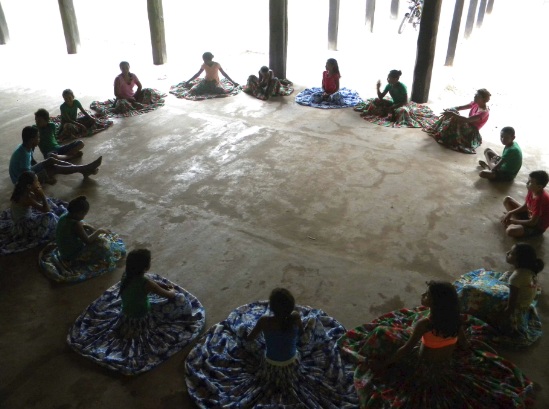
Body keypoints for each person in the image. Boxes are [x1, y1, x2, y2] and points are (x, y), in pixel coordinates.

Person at [338, 281, 534, 408]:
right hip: (446, 368)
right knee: (393, 333)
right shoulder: (456, 319)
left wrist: (384, 364)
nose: (423, 296)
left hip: (421, 368)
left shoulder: (425, 324)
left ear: (436, 303)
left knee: (382, 333)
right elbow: (464, 344)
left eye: (427, 295)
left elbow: (405, 349)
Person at [185, 288, 358, 408]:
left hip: (269, 367)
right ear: (292, 307)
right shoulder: (296, 317)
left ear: (271, 307)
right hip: (293, 366)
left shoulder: (265, 322)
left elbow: (251, 338)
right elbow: (302, 332)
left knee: (244, 338)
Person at [66, 249, 205, 374]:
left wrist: (157, 285)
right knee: (181, 299)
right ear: (145, 267)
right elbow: (169, 295)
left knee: (154, 282)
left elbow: (150, 284)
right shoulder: (146, 283)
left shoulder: (126, 275)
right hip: (142, 319)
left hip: (125, 315)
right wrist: (172, 290)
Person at [454, 244, 543, 348]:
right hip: (523, 305)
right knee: (485, 285)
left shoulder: (516, 278)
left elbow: (511, 307)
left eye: (511, 253)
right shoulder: (529, 270)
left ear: (518, 259)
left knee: (469, 289)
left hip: (515, 310)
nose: (507, 253)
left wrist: (499, 319)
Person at [39, 196, 125, 283]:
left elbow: (77, 227)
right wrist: (98, 231)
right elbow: (88, 241)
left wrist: (87, 227)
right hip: (72, 255)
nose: (84, 216)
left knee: (85, 226)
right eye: (84, 214)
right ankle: (83, 258)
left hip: (63, 251)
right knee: (102, 243)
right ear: (79, 213)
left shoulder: (64, 216)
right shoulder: (76, 224)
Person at [0, 171, 66, 255]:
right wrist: (42, 195)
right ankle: (61, 225)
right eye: (36, 181)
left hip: (19, 220)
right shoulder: (26, 197)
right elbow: (46, 210)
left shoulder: (21, 191)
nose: (38, 183)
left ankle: (58, 217)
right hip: (23, 227)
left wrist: (39, 194)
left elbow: (37, 199)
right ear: (29, 186)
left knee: (47, 201)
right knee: (50, 215)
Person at [8, 126, 102, 185]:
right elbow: (27, 176)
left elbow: (31, 162)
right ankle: (84, 169)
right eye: (38, 137)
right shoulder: (23, 154)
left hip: (26, 172)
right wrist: (47, 179)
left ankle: (83, 169)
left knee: (51, 160)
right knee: (54, 168)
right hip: (21, 181)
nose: (39, 139)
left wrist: (41, 166)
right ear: (32, 139)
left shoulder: (27, 146)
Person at [354, 69, 436, 128]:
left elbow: (405, 101)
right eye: (388, 77)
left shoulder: (402, 87)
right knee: (376, 100)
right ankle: (386, 112)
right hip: (394, 102)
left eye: (390, 78)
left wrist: (394, 107)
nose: (388, 79)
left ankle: (390, 114)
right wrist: (378, 88)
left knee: (402, 111)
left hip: (402, 105)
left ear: (396, 79)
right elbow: (381, 97)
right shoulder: (389, 85)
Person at [423, 88, 491, 153]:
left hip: (472, 131)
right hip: (468, 125)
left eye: (477, 96)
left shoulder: (484, 112)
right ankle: (440, 131)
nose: (475, 96)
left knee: (454, 117)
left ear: (483, 99)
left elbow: (468, 120)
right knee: (453, 112)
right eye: (475, 94)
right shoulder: (476, 103)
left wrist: (452, 114)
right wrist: (451, 109)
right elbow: (460, 107)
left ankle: (445, 135)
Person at [295, 59, 362, 109]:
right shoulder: (324, 73)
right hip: (325, 92)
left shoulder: (335, 75)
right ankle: (325, 98)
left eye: (327, 64)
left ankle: (328, 98)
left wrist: (330, 94)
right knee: (314, 96)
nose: (325, 65)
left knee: (337, 98)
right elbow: (323, 85)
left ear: (332, 66)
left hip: (333, 93)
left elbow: (337, 88)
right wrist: (324, 92)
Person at [170, 52, 239, 100]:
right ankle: (196, 86)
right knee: (194, 91)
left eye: (205, 59)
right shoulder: (204, 65)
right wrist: (188, 81)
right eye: (203, 59)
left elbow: (224, 74)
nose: (204, 61)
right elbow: (197, 74)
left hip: (215, 83)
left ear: (209, 59)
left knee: (222, 91)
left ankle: (211, 88)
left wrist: (233, 82)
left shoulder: (217, 64)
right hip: (206, 82)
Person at [501, 170, 549, 238]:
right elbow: (526, 206)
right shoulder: (532, 189)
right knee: (507, 200)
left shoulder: (540, 200)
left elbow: (533, 223)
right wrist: (510, 212)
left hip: (536, 226)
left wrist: (513, 221)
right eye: (528, 180)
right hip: (529, 215)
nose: (527, 183)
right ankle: (516, 222)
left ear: (539, 187)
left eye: (530, 182)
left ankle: (515, 223)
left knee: (510, 231)